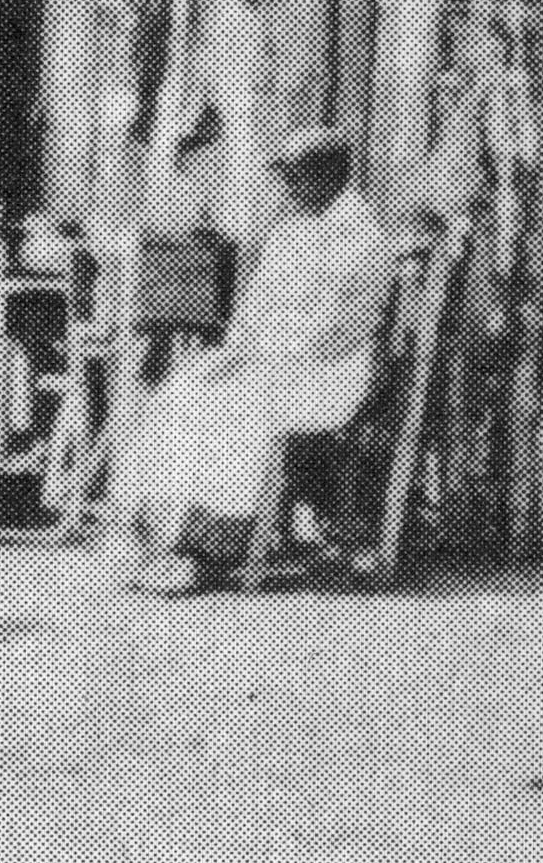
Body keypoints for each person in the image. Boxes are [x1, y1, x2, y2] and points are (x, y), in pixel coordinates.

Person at [117, 123, 400, 592]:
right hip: (277, 362)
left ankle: (213, 545)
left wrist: (261, 358)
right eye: (285, 178)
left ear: (330, 177)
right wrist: (232, 354)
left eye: (296, 178)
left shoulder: (362, 239)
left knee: (234, 406)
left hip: (331, 371)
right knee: (180, 391)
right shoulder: (289, 233)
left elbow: (340, 331)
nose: (288, 189)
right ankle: (155, 536)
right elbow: (252, 313)